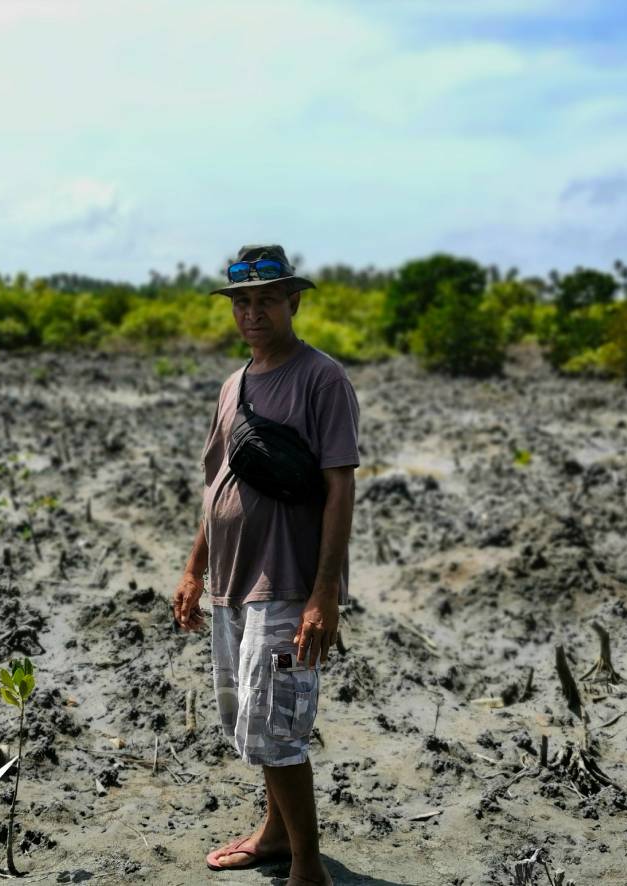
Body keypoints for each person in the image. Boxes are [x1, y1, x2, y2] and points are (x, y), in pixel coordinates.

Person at [172, 245, 359, 886]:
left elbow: (340, 487)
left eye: (266, 300)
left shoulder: (321, 378)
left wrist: (324, 594)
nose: (252, 313)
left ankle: (308, 868)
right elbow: (215, 483)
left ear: (293, 302)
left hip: (287, 580)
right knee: (250, 717)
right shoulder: (235, 385)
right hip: (232, 577)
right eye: (242, 302)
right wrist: (195, 570)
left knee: (278, 725)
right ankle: (276, 834)